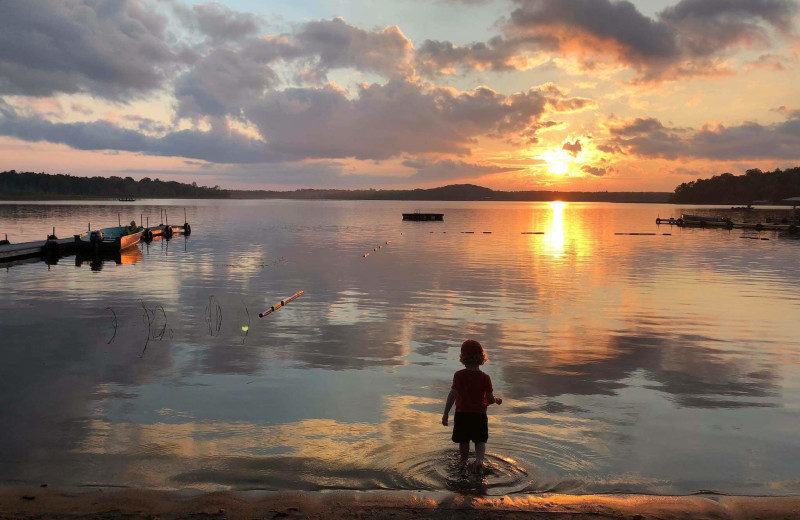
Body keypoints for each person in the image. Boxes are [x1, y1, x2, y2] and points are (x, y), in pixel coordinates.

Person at [441, 339, 501, 472]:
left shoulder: (459, 375)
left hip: (462, 415)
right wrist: (496, 400)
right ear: (481, 357)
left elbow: (452, 394)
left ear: (462, 357)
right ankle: (479, 461)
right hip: (479, 416)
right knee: (480, 441)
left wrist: (445, 413)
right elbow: (490, 399)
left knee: (464, 441)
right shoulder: (485, 377)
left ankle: (463, 461)